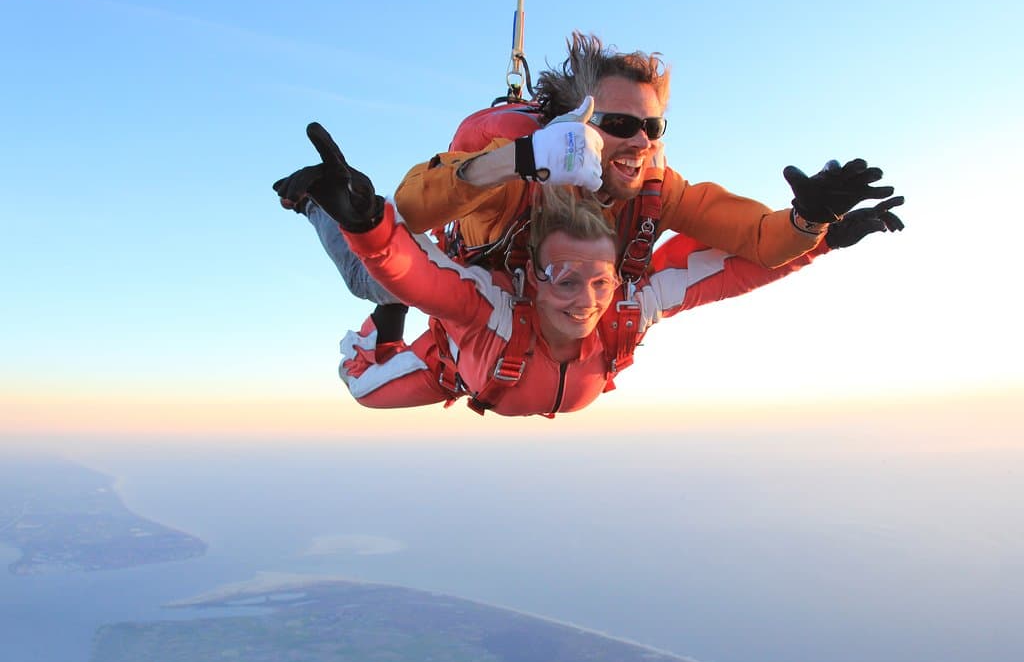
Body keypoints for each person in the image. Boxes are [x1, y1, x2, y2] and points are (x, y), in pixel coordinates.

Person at [293, 123, 903, 417]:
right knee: (364, 382)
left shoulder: (628, 306)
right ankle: (356, 278)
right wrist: (364, 219)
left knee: (385, 283)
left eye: (600, 281)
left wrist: (820, 232)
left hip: (485, 377)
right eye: (564, 278)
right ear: (530, 280)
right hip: (454, 366)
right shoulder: (490, 311)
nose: (586, 300)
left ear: (618, 279)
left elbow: (727, 271)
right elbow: (414, 269)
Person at [391, 31, 895, 274]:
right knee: (371, 268)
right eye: (619, 125)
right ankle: (315, 203)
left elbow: (757, 240)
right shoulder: (520, 172)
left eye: (653, 126)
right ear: (575, 123)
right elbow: (415, 208)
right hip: (473, 294)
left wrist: (811, 220)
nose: (641, 142)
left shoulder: (655, 187)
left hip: (565, 323)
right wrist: (519, 159)